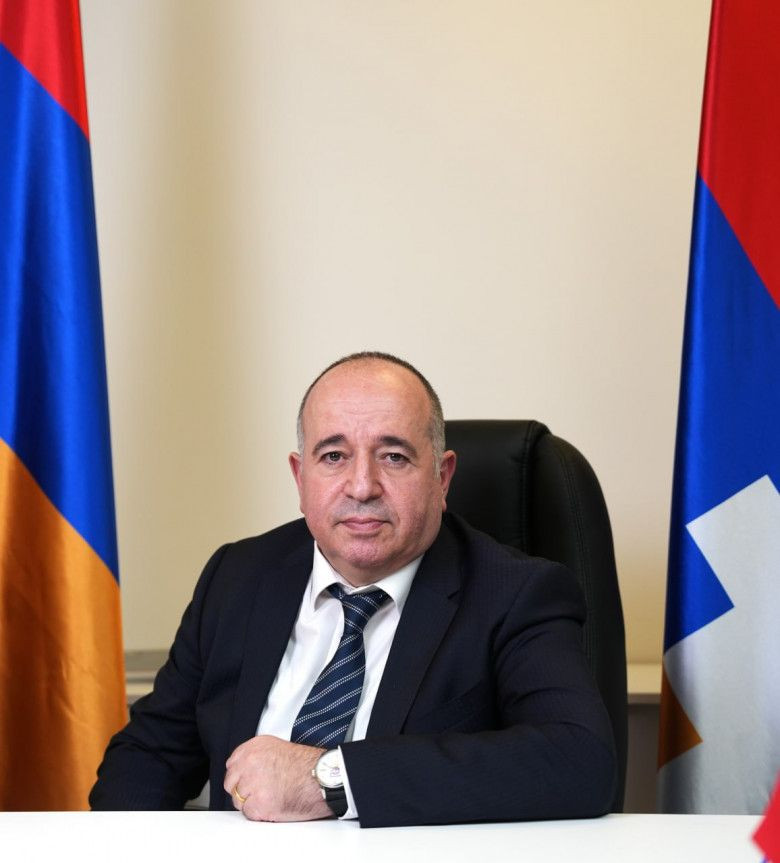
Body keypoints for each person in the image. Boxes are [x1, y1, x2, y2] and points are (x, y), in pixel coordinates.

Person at [90, 351, 616, 826]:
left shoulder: (516, 593)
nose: (362, 487)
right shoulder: (239, 576)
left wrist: (329, 779)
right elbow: (148, 758)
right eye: (334, 456)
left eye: (394, 457)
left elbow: (579, 761)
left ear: (442, 477)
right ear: (300, 478)